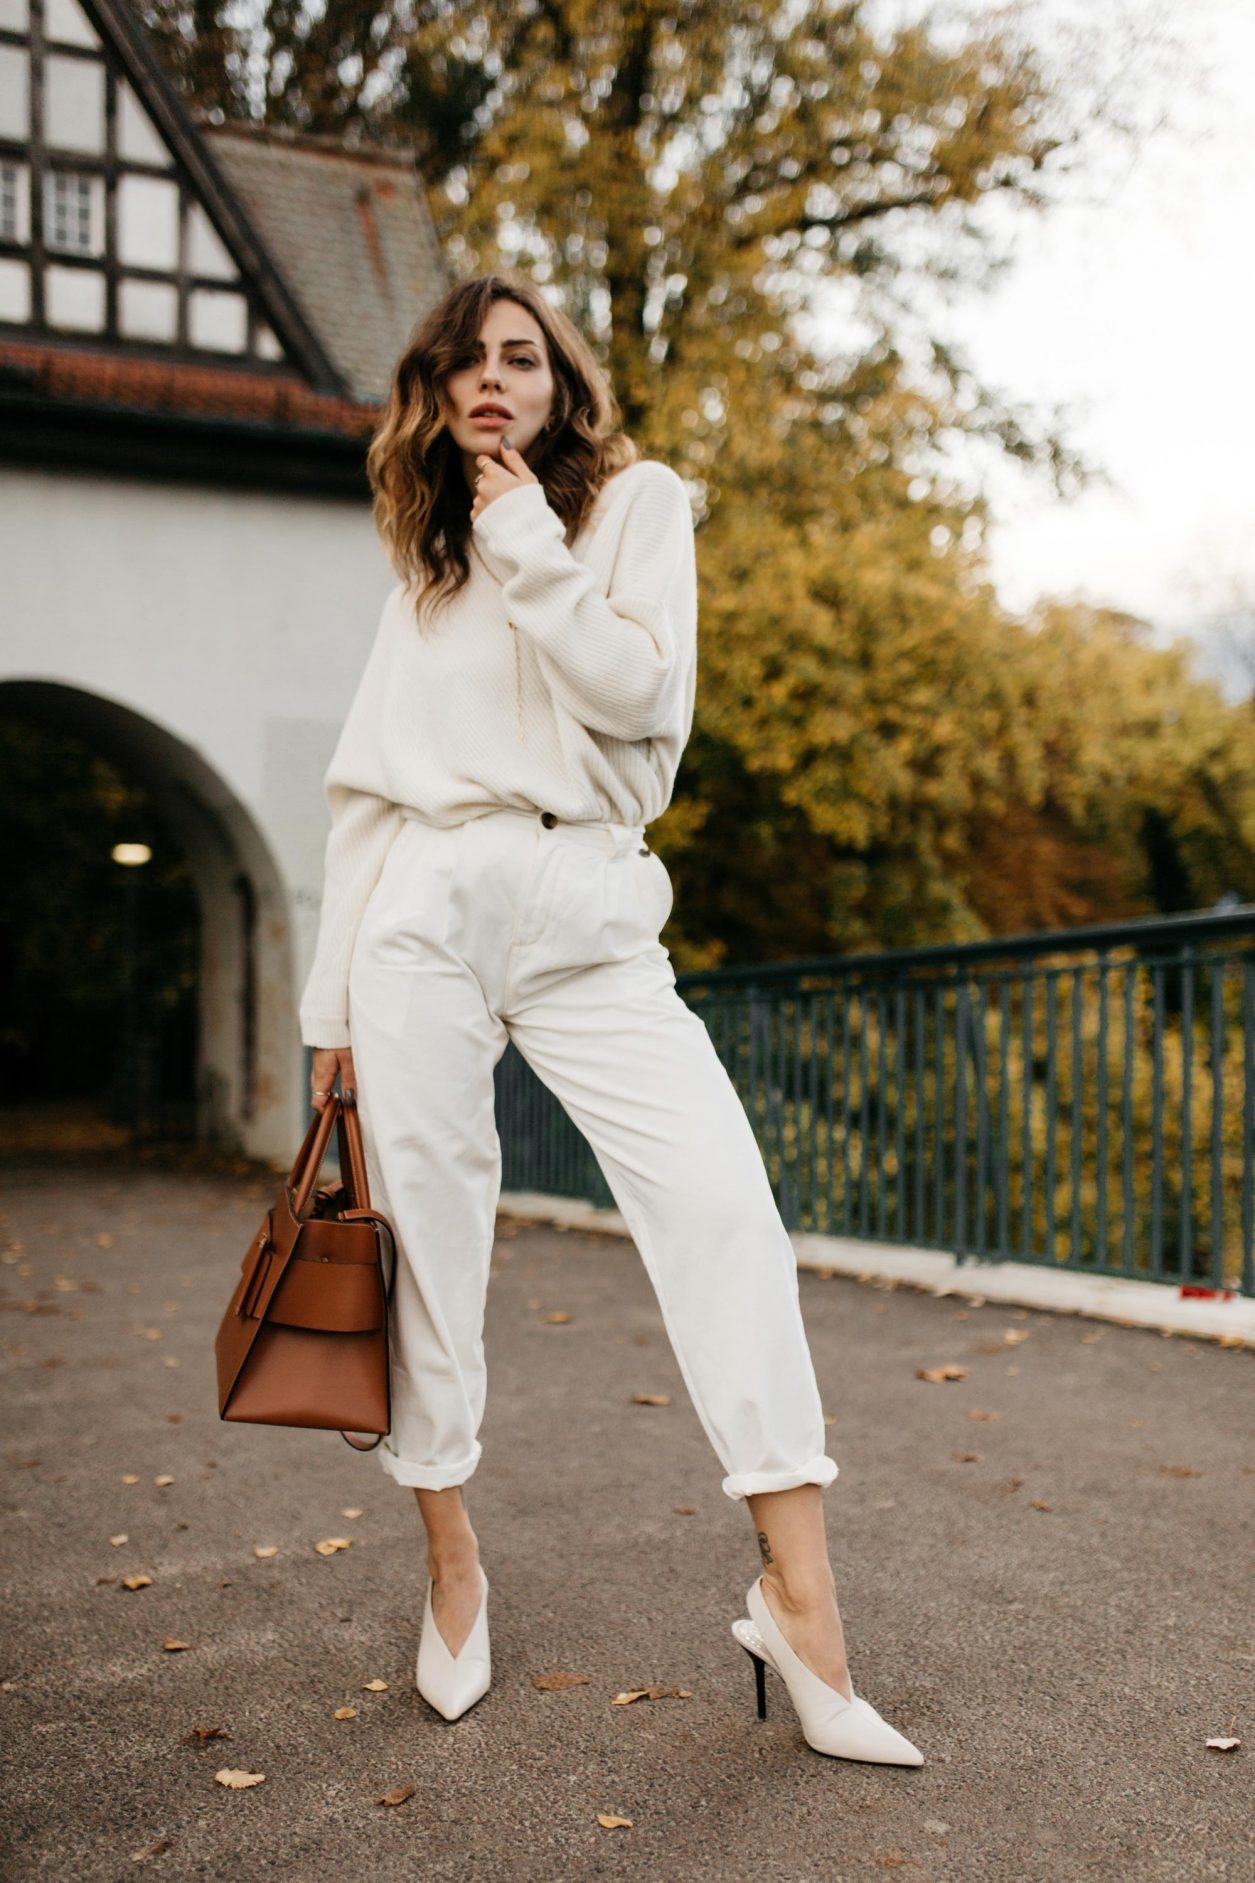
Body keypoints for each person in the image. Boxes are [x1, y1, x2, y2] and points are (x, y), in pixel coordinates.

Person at [298, 271, 922, 1765]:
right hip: (421, 920)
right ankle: (452, 1562)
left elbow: (643, 700)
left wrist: (525, 531)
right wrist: (330, 1013)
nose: (492, 380)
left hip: (586, 912)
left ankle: (802, 1598)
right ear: (434, 398)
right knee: (433, 1242)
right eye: (465, 364)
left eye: (522, 357)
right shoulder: (420, 585)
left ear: (562, 384)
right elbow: (362, 808)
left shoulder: (637, 509)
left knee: (720, 1210)